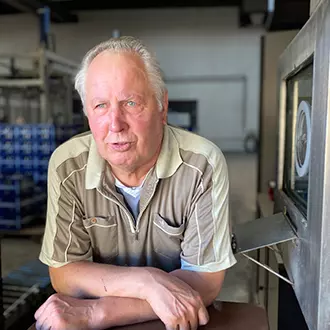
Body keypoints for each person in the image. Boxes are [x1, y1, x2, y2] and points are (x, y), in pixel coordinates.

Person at [34, 36, 237, 330]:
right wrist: (146, 282)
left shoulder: (201, 165)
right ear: (87, 113)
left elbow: (205, 280)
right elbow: (64, 272)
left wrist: (96, 314)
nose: (115, 124)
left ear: (161, 105)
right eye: (101, 105)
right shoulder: (68, 166)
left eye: (131, 102)